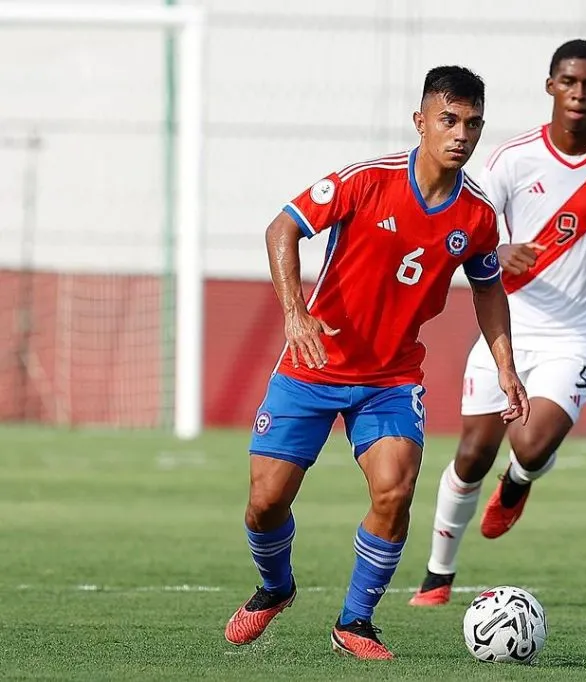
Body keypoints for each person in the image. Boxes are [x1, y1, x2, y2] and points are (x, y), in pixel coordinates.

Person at [223, 65, 530, 660]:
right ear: (421, 121)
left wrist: (506, 366)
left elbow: (488, 287)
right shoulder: (366, 181)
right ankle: (275, 587)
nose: (460, 134)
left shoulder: (477, 215)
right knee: (265, 503)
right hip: (312, 365)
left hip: (390, 378)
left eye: (472, 124)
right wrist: (295, 313)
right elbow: (281, 229)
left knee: (395, 491)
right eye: (448, 120)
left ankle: (355, 623)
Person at [409, 39, 586, 607]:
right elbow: (473, 223)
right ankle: (437, 575)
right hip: (508, 325)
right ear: (551, 86)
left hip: (578, 332)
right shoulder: (512, 159)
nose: (578, 92)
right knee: (473, 454)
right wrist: (500, 250)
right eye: (568, 81)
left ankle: (519, 481)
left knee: (529, 443)